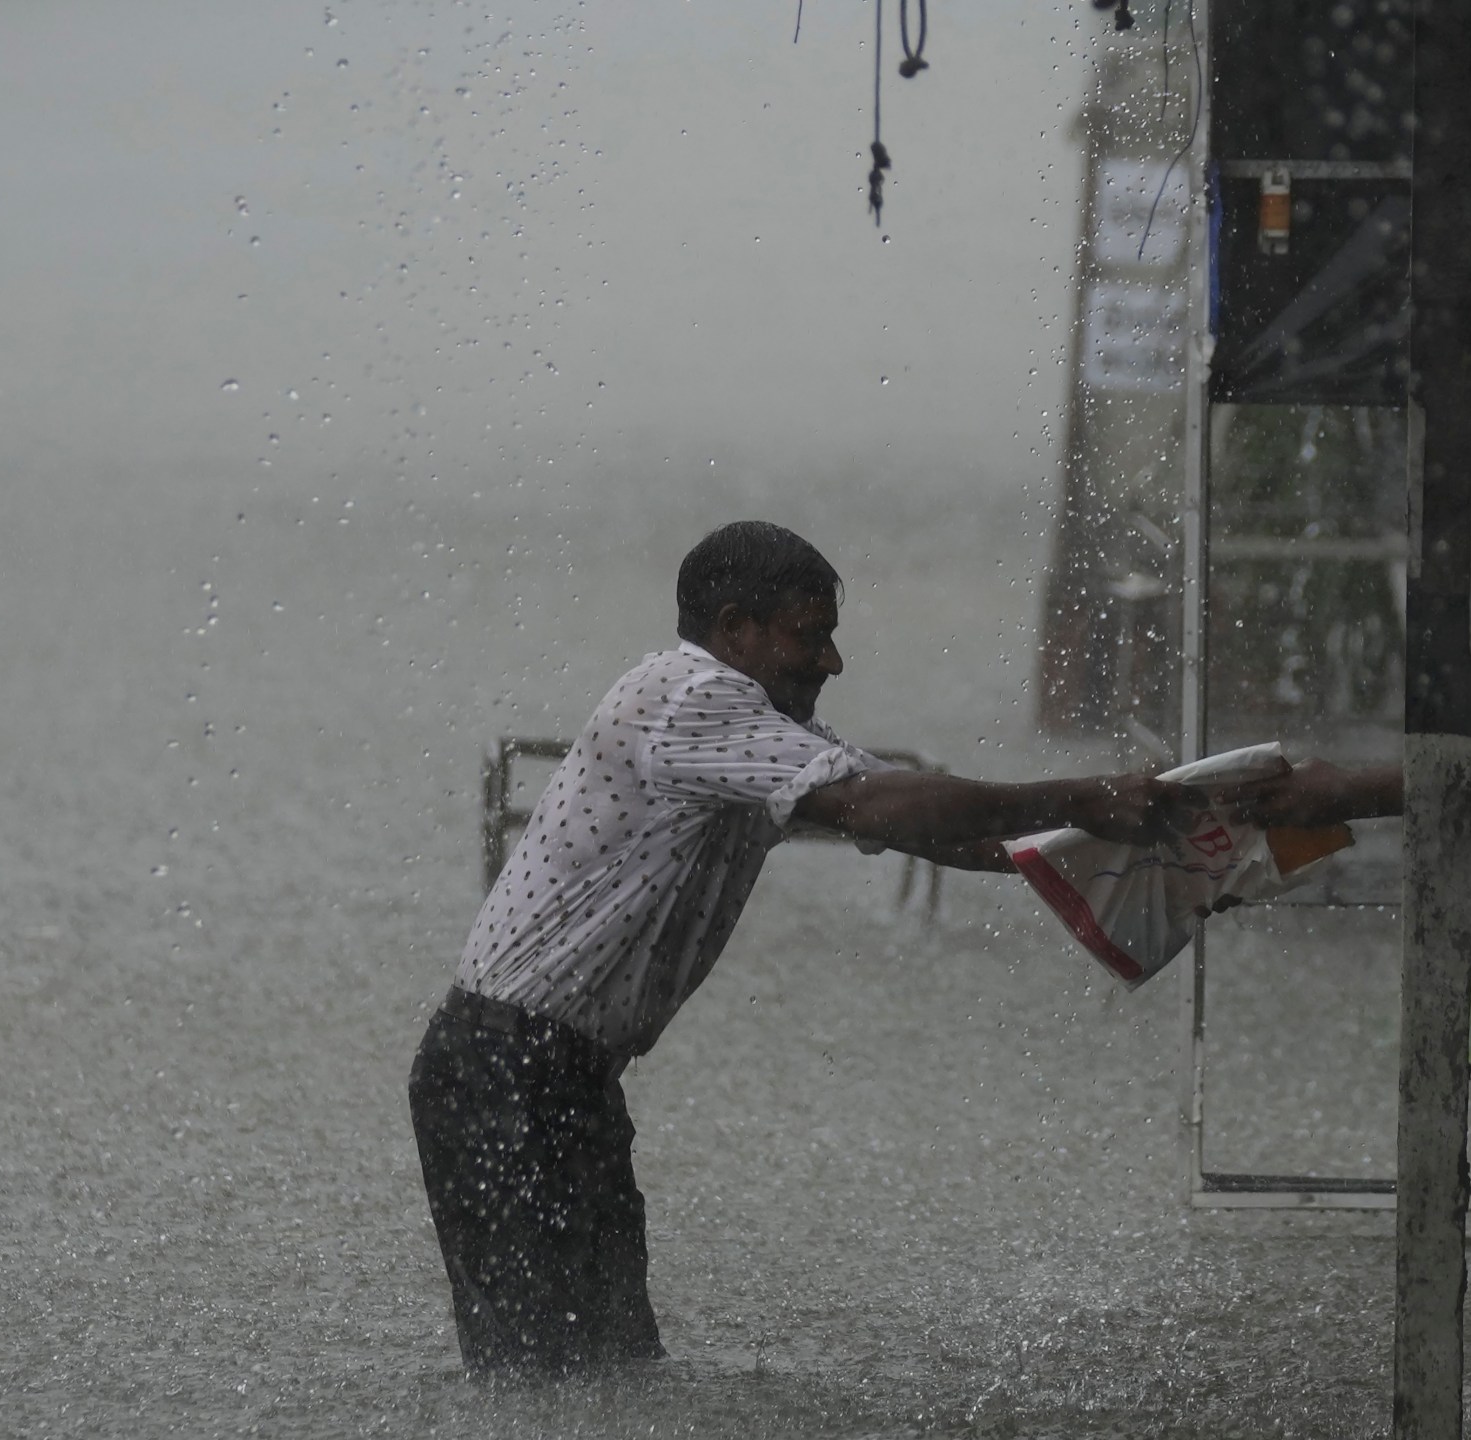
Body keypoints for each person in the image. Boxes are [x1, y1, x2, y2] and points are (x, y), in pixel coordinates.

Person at [406, 519, 1396, 1378]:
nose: (830, 661)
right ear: (734, 630)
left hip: (560, 1079)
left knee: (606, 1367)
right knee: (538, 1378)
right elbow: (878, 802)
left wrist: (1169, 854)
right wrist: (1084, 796)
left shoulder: (752, 730)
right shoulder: (690, 697)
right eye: (810, 636)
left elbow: (939, 831)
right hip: (506, 1071)